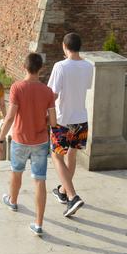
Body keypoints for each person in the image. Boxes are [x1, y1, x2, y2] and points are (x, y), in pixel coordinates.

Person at [0, 52, 58, 237]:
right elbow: (54, 122)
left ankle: (13, 201)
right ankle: (38, 224)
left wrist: (0, 139)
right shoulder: (47, 91)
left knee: (16, 172)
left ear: (24, 67)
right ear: (41, 69)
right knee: (39, 179)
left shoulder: (17, 88)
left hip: (20, 139)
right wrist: (42, 118)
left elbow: (10, 116)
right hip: (40, 140)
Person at [48, 32, 94, 219]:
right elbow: (86, 87)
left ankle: (73, 196)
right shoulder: (88, 66)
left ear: (64, 46)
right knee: (71, 156)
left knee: (57, 157)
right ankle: (63, 191)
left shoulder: (60, 66)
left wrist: (46, 115)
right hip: (80, 118)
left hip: (62, 119)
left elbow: (53, 95)